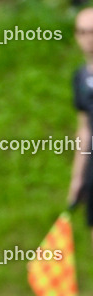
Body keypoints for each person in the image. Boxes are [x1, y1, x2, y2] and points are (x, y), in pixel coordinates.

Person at [70, 7, 93, 229]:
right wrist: (78, 177)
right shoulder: (80, 77)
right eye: (83, 32)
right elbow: (84, 129)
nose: (88, 39)